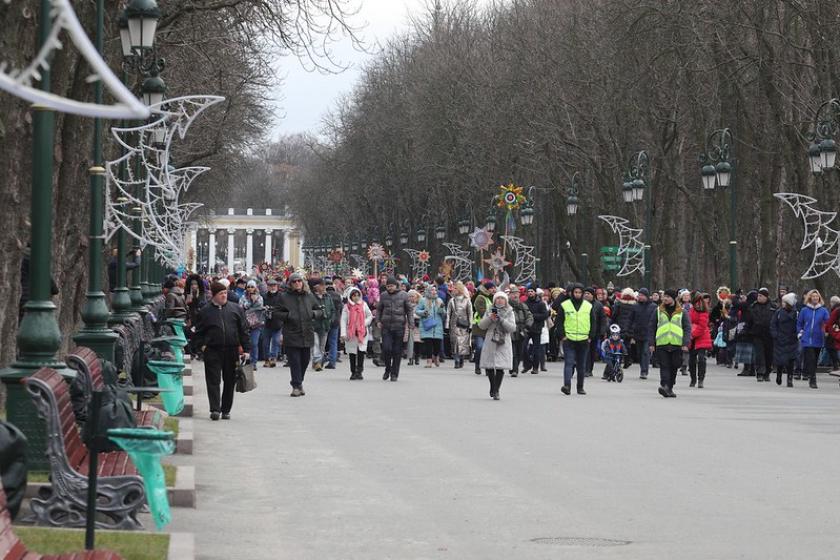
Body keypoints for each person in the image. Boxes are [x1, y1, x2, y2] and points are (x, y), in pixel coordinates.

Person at [194, 282, 250, 420]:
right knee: (213, 380)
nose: (224, 295)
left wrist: (246, 349)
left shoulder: (235, 309)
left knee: (230, 380)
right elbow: (198, 333)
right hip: (213, 350)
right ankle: (215, 409)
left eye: (225, 292)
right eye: (221, 293)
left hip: (232, 350)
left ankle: (226, 409)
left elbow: (243, 330)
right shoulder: (205, 311)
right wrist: (202, 348)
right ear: (213, 295)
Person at [275, 273, 324, 396]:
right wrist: (288, 315)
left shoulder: (309, 296)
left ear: (303, 282)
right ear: (290, 284)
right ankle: (296, 386)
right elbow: (276, 312)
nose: (297, 283)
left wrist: (313, 314)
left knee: (305, 360)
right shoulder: (284, 297)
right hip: (291, 333)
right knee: (295, 361)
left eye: (299, 281)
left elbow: (320, 310)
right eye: (294, 281)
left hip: (307, 332)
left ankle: (299, 382)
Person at [648, 289, 690, 398]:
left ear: (674, 298)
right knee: (664, 366)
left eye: (668, 296)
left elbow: (687, 328)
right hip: (662, 343)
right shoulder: (658, 311)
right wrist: (652, 343)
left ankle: (670, 387)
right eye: (664, 296)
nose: (665, 298)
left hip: (677, 344)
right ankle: (665, 385)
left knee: (674, 366)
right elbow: (652, 327)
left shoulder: (682, 312)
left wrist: (685, 343)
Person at [554, 283, 595, 395]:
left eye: (579, 292)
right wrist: (562, 336)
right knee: (569, 363)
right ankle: (567, 385)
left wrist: (590, 336)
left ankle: (580, 387)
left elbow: (593, 322)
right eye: (575, 292)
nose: (577, 294)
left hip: (583, 339)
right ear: (572, 293)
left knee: (581, 365)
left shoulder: (588, 306)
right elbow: (559, 321)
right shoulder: (565, 305)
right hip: (569, 338)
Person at [478, 291, 516, 400]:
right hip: (491, 339)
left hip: (503, 340)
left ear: (506, 300)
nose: (500, 300)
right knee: (490, 365)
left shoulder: (509, 311)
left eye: (502, 298)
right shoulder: (490, 310)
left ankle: (496, 390)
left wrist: (502, 320)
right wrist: (490, 318)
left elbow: (512, 328)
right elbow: (481, 326)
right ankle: (492, 387)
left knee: (500, 366)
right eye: (498, 298)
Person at [377, 276, 412, 381]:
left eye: (391, 286)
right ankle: (387, 369)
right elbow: (379, 309)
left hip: (399, 326)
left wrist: (411, 323)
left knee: (397, 351)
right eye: (388, 286)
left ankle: (394, 373)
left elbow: (409, 310)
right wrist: (378, 321)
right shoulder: (383, 295)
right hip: (386, 326)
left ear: (396, 286)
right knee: (386, 349)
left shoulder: (404, 295)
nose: (390, 288)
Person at [797, 289, 829, 389]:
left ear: (819, 298)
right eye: (813, 296)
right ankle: (813, 379)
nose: (815, 298)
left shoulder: (823, 311)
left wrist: (826, 330)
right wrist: (800, 333)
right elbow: (799, 323)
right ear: (809, 297)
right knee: (810, 358)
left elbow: (828, 322)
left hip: (818, 338)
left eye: (817, 296)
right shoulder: (804, 310)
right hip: (806, 339)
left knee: (814, 360)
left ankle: (810, 374)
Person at [341, 286, 373, 380]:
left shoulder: (364, 305)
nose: (356, 297)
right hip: (350, 333)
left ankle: (359, 371)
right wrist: (343, 333)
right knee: (352, 353)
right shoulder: (346, 307)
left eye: (358, 295)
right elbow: (343, 320)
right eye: (354, 296)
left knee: (361, 352)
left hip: (362, 333)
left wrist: (363, 324)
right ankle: (353, 371)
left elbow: (370, 316)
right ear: (350, 297)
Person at [748, 287, 776, 382]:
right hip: (757, 334)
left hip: (769, 334)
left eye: (761, 296)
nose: (759, 297)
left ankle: (767, 372)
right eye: (758, 296)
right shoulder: (753, 306)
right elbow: (749, 321)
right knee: (759, 355)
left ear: (766, 297)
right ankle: (760, 372)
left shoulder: (773, 306)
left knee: (769, 354)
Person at [415, 284, 446, 369]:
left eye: (435, 290)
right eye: (432, 290)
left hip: (437, 326)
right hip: (427, 325)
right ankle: (429, 361)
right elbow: (417, 310)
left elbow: (443, 313)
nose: (434, 292)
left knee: (437, 345)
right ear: (428, 291)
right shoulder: (423, 300)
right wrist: (423, 312)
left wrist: (441, 309)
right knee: (428, 344)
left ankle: (435, 356)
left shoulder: (439, 300)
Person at [771, 292, 799, 387]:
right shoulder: (778, 312)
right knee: (780, 360)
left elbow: (799, 325)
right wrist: (775, 335)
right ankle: (779, 375)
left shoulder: (796, 314)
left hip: (792, 340)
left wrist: (797, 334)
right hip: (780, 339)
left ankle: (789, 378)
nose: (782, 304)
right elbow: (773, 324)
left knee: (791, 360)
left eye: (784, 302)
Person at [630, 288, 657, 380]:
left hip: (648, 333)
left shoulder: (653, 306)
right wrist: (631, 331)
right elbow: (631, 319)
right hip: (637, 333)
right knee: (640, 353)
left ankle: (644, 371)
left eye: (642, 295)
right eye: (639, 295)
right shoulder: (635, 306)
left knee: (645, 352)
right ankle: (642, 367)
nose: (640, 297)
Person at [446, 282, 473, 369]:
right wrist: (446, 326)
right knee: (455, 342)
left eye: (455, 288)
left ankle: (461, 358)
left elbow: (470, 313)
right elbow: (448, 313)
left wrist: (470, 325)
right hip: (453, 324)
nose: (453, 290)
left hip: (464, 324)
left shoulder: (467, 300)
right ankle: (456, 360)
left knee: (463, 342)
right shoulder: (452, 301)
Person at [507, 284, 533, 377]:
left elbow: (529, 316)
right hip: (510, 331)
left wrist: (527, 326)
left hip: (521, 331)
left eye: (517, 293)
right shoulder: (507, 306)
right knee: (513, 352)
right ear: (510, 294)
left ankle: (515, 367)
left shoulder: (523, 305)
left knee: (520, 351)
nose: (515, 295)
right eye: (513, 293)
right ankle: (514, 369)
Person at [522, 286, 549, 374]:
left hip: (537, 328)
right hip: (527, 328)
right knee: (523, 347)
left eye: (532, 291)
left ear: (535, 293)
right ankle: (527, 364)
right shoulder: (525, 303)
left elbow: (545, 315)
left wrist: (533, 316)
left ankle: (535, 367)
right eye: (529, 291)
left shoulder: (541, 303)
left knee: (536, 349)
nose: (530, 293)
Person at [309, 279, 334, 372]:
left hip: (325, 325)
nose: (324, 287)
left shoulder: (328, 297)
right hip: (313, 325)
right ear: (316, 287)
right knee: (315, 344)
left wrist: (331, 319)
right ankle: (318, 363)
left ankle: (316, 363)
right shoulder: (311, 297)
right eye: (322, 285)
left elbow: (332, 309)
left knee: (322, 346)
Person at [471, 282, 495, 375]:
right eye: (492, 288)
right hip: (479, 327)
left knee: (488, 349)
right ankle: (477, 365)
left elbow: (496, 310)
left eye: (494, 288)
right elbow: (481, 312)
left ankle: (487, 368)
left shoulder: (492, 298)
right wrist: (492, 314)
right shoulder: (480, 298)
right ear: (487, 289)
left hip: (489, 327)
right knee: (480, 347)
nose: (493, 290)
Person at [688, 293, 712, 388]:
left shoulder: (704, 312)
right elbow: (688, 322)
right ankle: (693, 379)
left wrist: (692, 334)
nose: (698, 305)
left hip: (701, 337)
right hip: (692, 338)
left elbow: (702, 326)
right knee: (691, 360)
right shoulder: (691, 310)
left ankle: (701, 378)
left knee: (701, 358)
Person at [240, 279, 265, 369]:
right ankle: (247, 361)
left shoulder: (260, 297)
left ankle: (254, 362)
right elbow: (241, 307)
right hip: (245, 323)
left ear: (255, 288)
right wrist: (251, 302)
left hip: (256, 324)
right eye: (249, 287)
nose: (250, 288)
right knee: (246, 343)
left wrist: (251, 304)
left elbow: (259, 308)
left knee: (254, 343)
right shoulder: (243, 297)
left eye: (252, 287)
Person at [262, 279, 284, 368]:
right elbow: (261, 306)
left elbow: (284, 308)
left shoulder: (281, 296)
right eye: (270, 286)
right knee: (265, 343)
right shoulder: (264, 296)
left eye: (274, 285)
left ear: (277, 287)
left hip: (278, 322)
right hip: (267, 322)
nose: (272, 287)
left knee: (276, 341)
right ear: (267, 287)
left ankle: (273, 358)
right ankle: (266, 359)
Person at [324, 281, 343, 369]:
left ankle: (320, 359)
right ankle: (332, 361)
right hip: (335, 321)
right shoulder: (338, 295)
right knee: (333, 341)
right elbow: (340, 308)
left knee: (322, 341)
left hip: (326, 320)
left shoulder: (325, 295)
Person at [405, 289, 422, 366]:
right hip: (408, 325)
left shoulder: (420, 304)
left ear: (416, 296)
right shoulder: (406, 305)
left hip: (417, 324)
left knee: (417, 342)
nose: (411, 298)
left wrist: (413, 316)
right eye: (410, 296)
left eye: (413, 296)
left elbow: (422, 313)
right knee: (409, 342)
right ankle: (410, 358)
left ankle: (417, 357)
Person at [824, 295, 840, 372]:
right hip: (835, 332)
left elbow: (830, 322)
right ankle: (835, 365)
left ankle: (836, 366)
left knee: (831, 348)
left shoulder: (835, 310)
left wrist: (827, 330)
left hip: (833, 332)